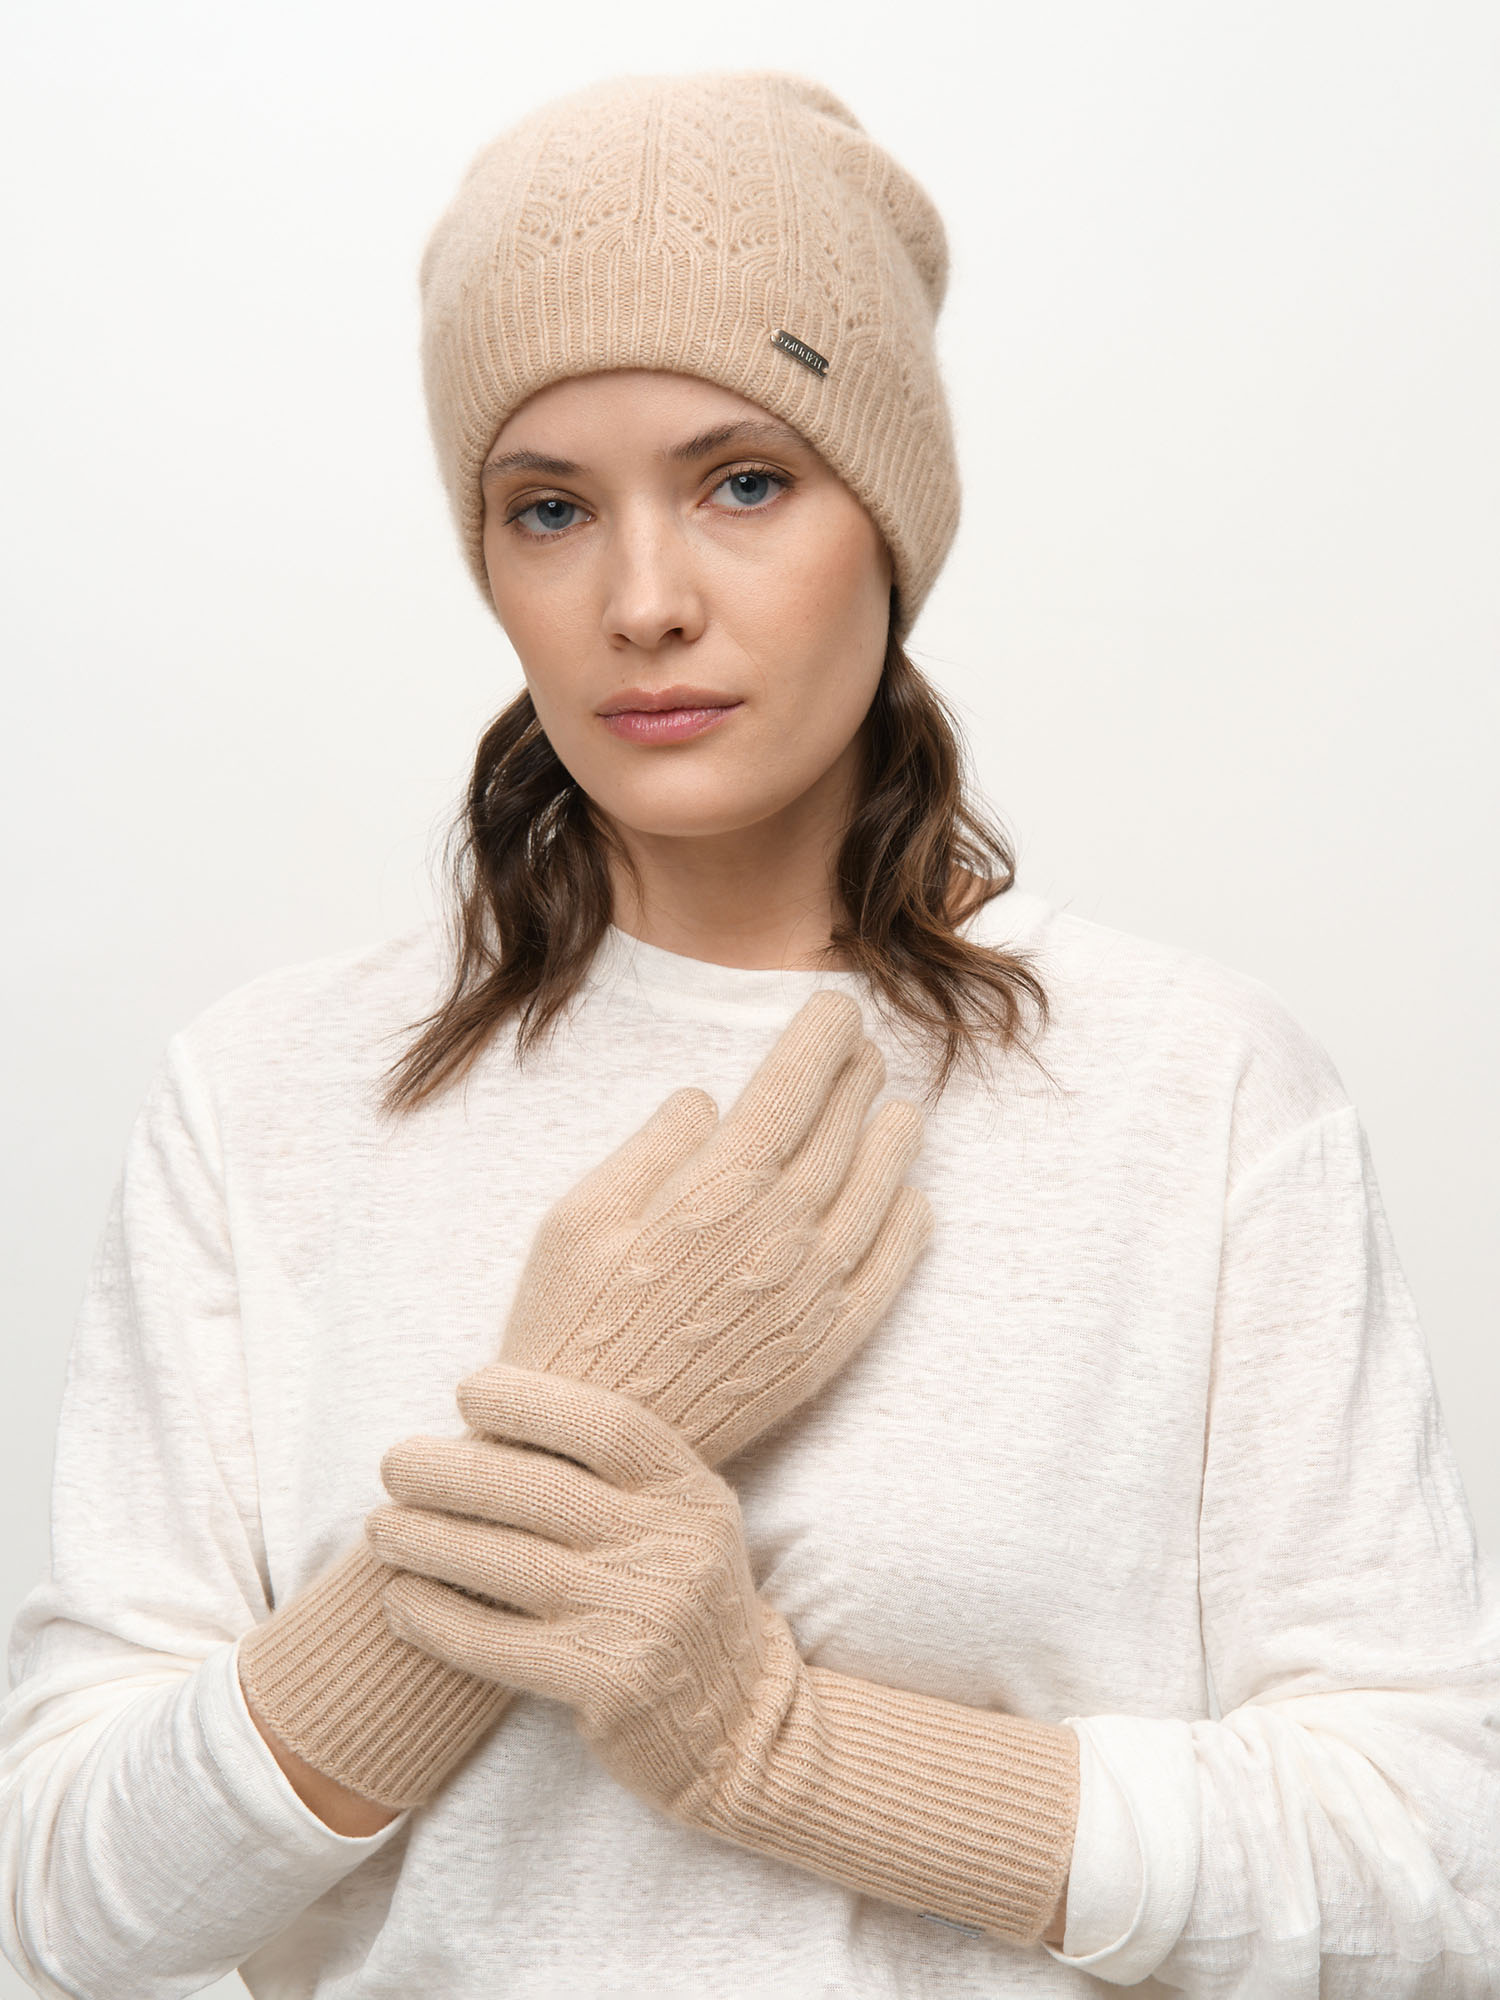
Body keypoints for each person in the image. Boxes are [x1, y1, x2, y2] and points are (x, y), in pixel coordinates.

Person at [1, 66, 1496, 2000]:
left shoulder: (1192, 1086)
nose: (642, 601)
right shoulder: (269, 1096)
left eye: (745, 482)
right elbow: (69, 1904)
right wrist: (551, 1471)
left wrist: (771, 1744)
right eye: (550, 509)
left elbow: (1435, 1870)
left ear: (889, 519)